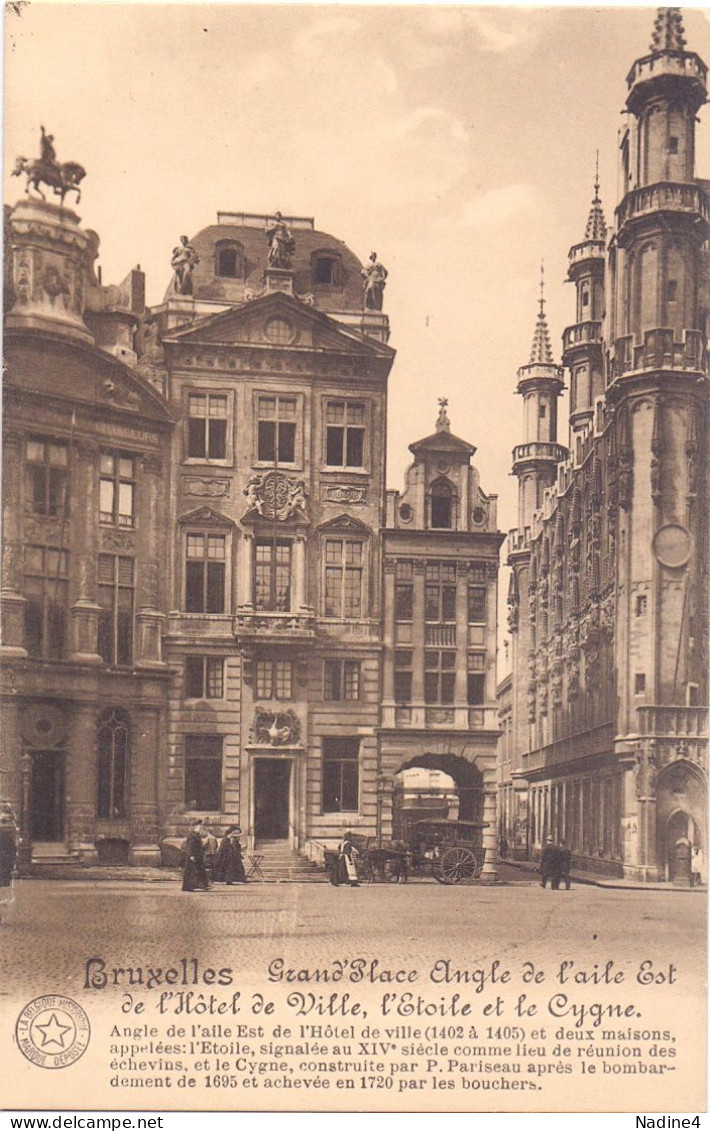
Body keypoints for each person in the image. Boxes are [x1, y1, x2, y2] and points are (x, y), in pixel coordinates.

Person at [0, 808, 18, 924]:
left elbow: (12, 853)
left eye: (4, 822)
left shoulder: (6, 838)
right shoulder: (7, 837)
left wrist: (11, 867)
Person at [181, 820, 209, 891]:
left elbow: (198, 846)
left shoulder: (197, 835)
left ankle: (202, 885)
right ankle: (189, 887)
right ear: (195, 827)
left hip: (197, 856)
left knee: (199, 871)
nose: (200, 829)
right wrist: (191, 855)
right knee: (191, 872)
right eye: (199, 828)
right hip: (193, 856)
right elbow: (189, 846)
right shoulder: (192, 835)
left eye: (201, 828)